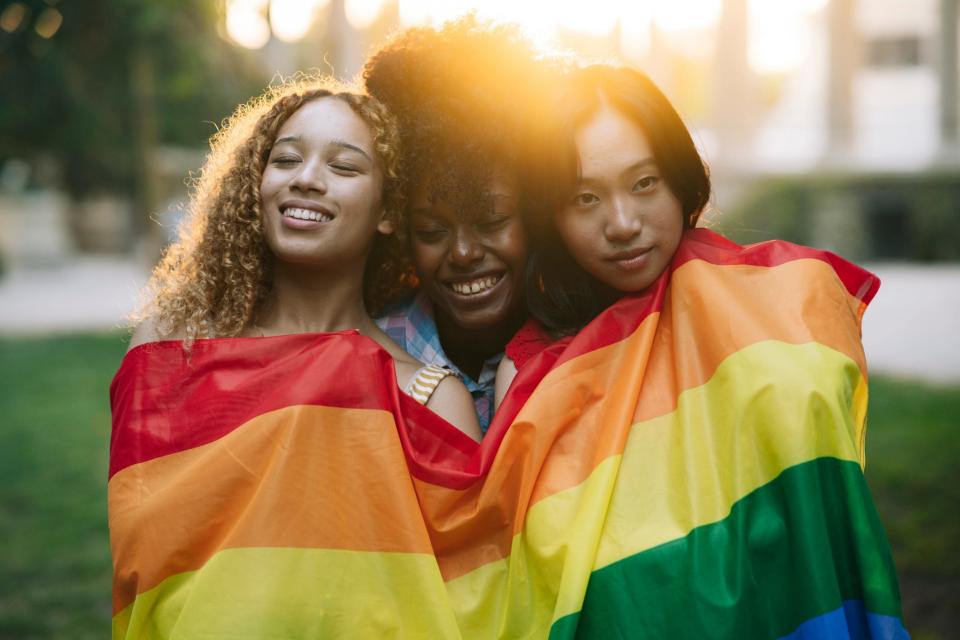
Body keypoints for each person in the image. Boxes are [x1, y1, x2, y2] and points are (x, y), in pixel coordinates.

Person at [129, 77, 481, 440]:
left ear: (387, 211)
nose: (306, 178)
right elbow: (139, 491)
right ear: (256, 183)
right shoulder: (171, 345)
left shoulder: (429, 400)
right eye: (286, 160)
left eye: (343, 166)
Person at [364, 16, 559, 434]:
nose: (464, 252)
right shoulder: (371, 349)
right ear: (400, 230)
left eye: (492, 221)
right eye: (433, 231)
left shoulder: (579, 341)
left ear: (535, 215)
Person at [495, 64, 710, 405]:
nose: (623, 226)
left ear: (682, 180)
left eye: (644, 183)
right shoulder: (533, 372)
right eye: (586, 199)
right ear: (551, 216)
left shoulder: (754, 303)